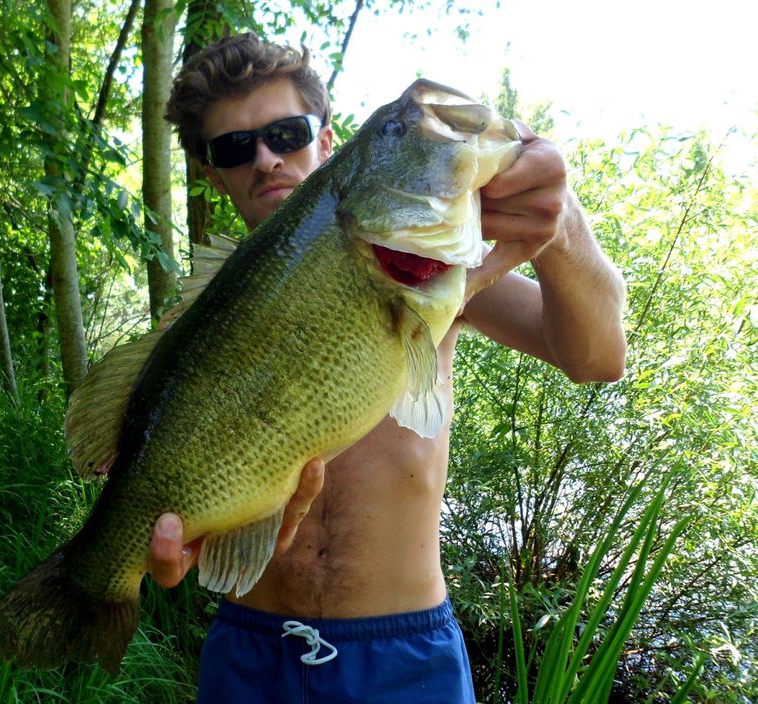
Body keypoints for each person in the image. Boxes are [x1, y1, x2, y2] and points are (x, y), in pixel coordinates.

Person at [151, 32, 626, 703]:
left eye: (286, 133)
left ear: (326, 139)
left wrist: (558, 219)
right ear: (210, 173)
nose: (264, 159)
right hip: (247, 654)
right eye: (234, 147)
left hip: (404, 660)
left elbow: (599, 358)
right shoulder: (196, 328)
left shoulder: (425, 269)